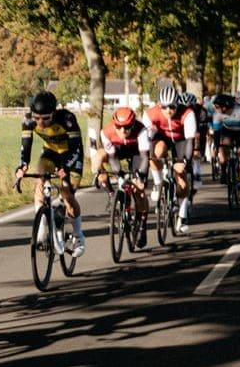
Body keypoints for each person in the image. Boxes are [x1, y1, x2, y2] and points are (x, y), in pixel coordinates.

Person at [16, 89, 85, 255]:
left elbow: (75, 148)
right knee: (40, 179)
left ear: (54, 113)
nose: (40, 122)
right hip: (51, 152)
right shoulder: (28, 121)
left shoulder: (67, 119)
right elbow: (26, 144)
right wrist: (23, 165)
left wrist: (65, 168)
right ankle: (41, 227)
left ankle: (78, 234)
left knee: (67, 193)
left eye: (45, 118)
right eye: (36, 118)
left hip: (71, 154)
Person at [144, 90, 199, 232]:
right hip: (163, 138)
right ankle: (157, 183)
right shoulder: (150, 113)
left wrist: (184, 161)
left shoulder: (187, 114)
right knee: (155, 152)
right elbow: (146, 139)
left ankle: (182, 213)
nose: (168, 110)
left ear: (177, 104)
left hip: (181, 140)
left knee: (180, 173)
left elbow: (189, 141)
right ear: (159, 105)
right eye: (164, 106)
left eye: (172, 107)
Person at [96, 104, 152, 223]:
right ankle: (112, 194)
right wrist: (119, 174)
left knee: (138, 191)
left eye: (127, 127)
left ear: (133, 124)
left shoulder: (141, 130)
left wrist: (140, 176)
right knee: (99, 156)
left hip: (137, 152)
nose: (123, 130)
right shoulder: (106, 132)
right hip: (118, 151)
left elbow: (144, 157)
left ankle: (141, 223)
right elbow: (112, 157)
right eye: (119, 126)